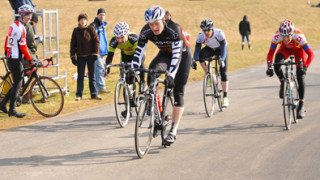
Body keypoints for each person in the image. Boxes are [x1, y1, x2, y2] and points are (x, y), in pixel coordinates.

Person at [130, 5, 192, 144]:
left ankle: (173, 130)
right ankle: (156, 112)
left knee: (178, 91)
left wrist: (170, 75)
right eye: (151, 24)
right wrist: (132, 71)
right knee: (152, 72)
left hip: (182, 57)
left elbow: (176, 56)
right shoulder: (146, 31)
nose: (154, 28)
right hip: (164, 55)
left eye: (156, 23)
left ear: (163, 20)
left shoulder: (174, 29)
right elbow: (138, 53)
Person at [266, 19, 314, 119]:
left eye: (288, 37)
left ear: (292, 34)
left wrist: (305, 68)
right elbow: (270, 53)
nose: (286, 40)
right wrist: (269, 67)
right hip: (285, 50)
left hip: (299, 51)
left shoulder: (299, 36)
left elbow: (311, 54)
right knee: (276, 65)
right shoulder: (276, 36)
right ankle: (283, 82)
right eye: (283, 37)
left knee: (300, 76)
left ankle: (301, 104)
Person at [0, 4, 36, 118]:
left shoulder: (14, 25)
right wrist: (30, 59)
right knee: (18, 82)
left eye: (30, 15)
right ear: (22, 15)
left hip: (12, 58)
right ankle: (12, 109)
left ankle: (3, 104)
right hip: (16, 58)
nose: (29, 18)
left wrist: (7, 52)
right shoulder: (21, 28)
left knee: (16, 82)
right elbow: (23, 46)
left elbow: (8, 40)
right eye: (28, 16)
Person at [105, 22, 147, 118]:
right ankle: (128, 108)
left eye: (122, 37)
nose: (119, 40)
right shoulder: (114, 41)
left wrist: (133, 68)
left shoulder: (134, 39)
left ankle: (143, 83)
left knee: (140, 65)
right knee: (125, 82)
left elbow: (139, 56)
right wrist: (107, 68)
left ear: (126, 35)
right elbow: (109, 57)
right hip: (125, 58)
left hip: (137, 56)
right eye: (117, 37)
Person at [191, 18, 229, 108]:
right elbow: (197, 50)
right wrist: (194, 60)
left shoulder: (219, 33)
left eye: (208, 30)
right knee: (201, 56)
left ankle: (225, 97)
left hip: (220, 49)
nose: (206, 32)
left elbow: (224, 48)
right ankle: (209, 74)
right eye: (204, 30)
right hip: (210, 49)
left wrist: (222, 59)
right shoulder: (201, 36)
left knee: (223, 71)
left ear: (212, 28)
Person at [70, 13, 101, 101]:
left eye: (84, 19)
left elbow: (96, 41)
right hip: (80, 57)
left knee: (92, 76)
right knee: (80, 76)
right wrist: (72, 56)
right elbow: (73, 44)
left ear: (86, 20)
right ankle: (79, 95)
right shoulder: (76, 31)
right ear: (79, 21)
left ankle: (94, 93)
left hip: (91, 56)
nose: (82, 21)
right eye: (81, 20)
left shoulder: (91, 29)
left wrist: (95, 53)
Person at [90, 8, 111, 94]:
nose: (102, 16)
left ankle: (96, 87)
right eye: (100, 15)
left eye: (103, 15)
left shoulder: (102, 25)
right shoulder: (94, 25)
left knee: (97, 70)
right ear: (97, 15)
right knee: (100, 69)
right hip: (96, 52)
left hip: (101, 52)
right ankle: (101, 88)